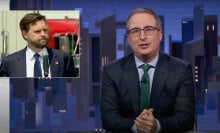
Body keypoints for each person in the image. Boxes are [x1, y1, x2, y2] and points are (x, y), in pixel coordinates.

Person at [100, 7, 195, 133]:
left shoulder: (181, 70)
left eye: (149, 29)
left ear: (160, 35)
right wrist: (138, 126)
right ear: (128, 39)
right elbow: (108, 118)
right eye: (135, 31)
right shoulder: (112, 71)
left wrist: (156, 125)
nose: (142, 37)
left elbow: (186, 118)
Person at [0, 12, 77, 77]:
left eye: (45, 30)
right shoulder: (9, 62)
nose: (43, 34)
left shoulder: (63, 58)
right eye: (37, 31)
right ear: (24, 34)